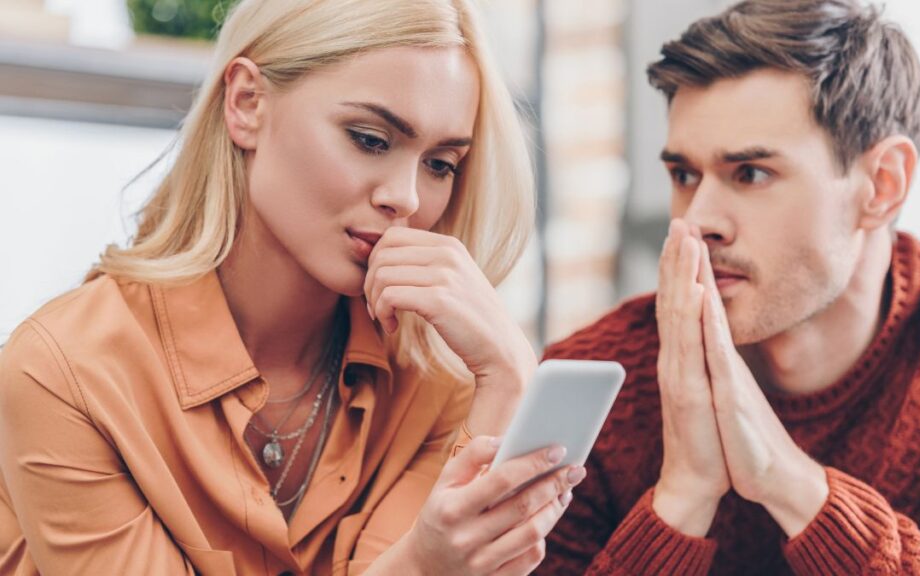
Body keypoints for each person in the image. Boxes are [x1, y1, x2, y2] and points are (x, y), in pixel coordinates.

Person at [0, 0, 587, 574]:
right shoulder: (64, 373)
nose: (406, 198)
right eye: (371, 139)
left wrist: (510, 374)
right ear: (246, 103)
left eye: (440, 164)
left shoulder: (437, 384)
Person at [538, 0, 920, 574]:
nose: (698, 218)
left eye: (751, 173)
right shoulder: (599, 381)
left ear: (882, 185)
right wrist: (682, 499)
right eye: (684, 176)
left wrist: (789, 482)